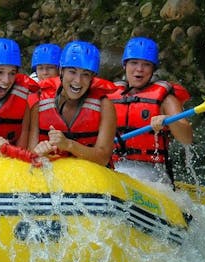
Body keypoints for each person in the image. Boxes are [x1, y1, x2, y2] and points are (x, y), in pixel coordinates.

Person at [109, 36, 193, 185]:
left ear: (153, 69)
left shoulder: (166, 99)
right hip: (114, 168)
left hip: (152, 174)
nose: (139, 69)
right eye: (134, 63)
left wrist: (168, 120)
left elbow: (187, 138)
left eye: (146, 64)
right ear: (124, 65)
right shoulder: (109, 96)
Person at [28, 41, 117, 167]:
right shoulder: (39, 102)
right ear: (61, 71)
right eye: (72, 72)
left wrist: (69, 145)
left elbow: (103, 158)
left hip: (92, 177)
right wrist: (39, 152)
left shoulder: (105, 106)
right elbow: (30, 152)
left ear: (92, 77)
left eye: (85, 74)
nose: (78, 81)